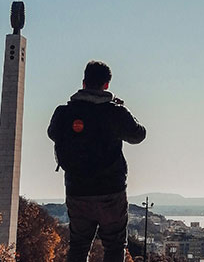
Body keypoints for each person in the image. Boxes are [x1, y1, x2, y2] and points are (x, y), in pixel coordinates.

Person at [48, 61, 146, 262]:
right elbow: (139, 135)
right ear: (107, 85)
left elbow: (52, 133)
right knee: (115, 246)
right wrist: (121, 108)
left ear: (83, 83)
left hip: (77, 189)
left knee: (79, 246)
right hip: (111, 190)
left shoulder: (64, 112)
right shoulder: (115, 112)